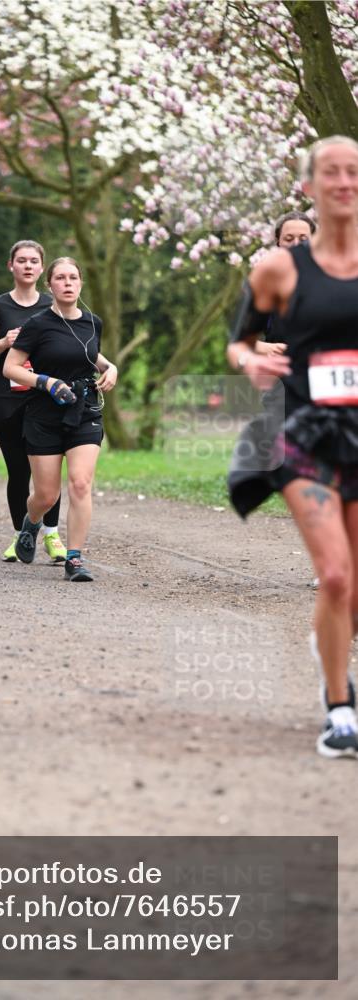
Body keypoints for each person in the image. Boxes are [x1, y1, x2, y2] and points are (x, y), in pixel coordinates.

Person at [227, 135, 358, 759]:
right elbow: (240, 341)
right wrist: (253, 361)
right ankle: (340, 709)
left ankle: (329, 645)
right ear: (309, 186)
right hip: (303, 432)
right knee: (333, 574)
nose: (343, 182)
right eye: (329, 172)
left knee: (354, 584)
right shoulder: (278, 269)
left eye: (353, 172)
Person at [3, 256, 118, 582]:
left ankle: (75, 558)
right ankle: (31, 523)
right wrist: (45, 381)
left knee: (81, 483)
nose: (67, 283)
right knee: (46, 495)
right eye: (61, 278)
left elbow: (90, 353)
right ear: (49, 285)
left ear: (80, 283)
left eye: (73, 278)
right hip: (44, 416)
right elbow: (10, 367)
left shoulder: (93, 322)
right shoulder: (38, 324)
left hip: (83, 412)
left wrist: (112, 369)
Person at [0, 240, 67, 563]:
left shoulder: (52, 305)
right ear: (11, 266)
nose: (28, 266)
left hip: (43, 399)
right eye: (22, 260)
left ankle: (53, 535)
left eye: (33, 261)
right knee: (18, 472)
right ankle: (21, 537)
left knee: (48, 472)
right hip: (7, 399)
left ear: (42, 268)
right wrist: (5, 341)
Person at [255, 211, 316, 358]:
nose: (296, 244)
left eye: (303, 239)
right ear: (278, 242)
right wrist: (265, 348)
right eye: (289, 239)